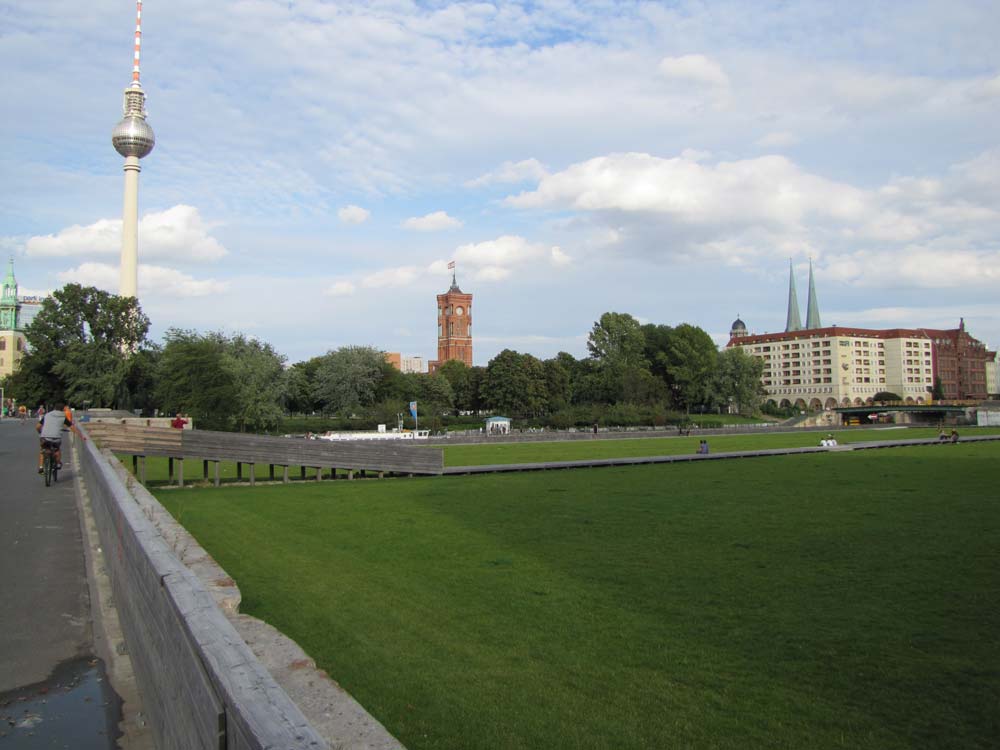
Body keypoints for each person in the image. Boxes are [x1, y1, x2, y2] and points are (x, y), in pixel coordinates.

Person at [37, 402, 86, 473]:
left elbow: (37, 426)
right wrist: (82, 436)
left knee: (43, 450)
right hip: (56, 438)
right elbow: (73, 428)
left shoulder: (47, 415)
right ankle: (57, 464)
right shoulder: (63, 416)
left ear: (54, 408)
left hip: (45, 437)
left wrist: (40, 432)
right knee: (57, 450)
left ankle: (41, 467)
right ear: (63, 409)